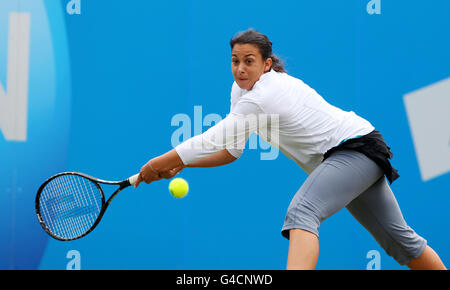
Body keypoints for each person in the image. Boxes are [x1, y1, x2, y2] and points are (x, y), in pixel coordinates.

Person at [134, 29, 446, 270]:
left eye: (249, 61)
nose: (240, 68)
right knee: (400, 241)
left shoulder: (263, 94)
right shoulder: (241, 92)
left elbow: (210, 139)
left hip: (354, 149)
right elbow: (230, 151)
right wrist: (183, 165)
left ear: (266, 64)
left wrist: (155, 163)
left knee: (302, 212)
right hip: (357, 152)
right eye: (235, 61)